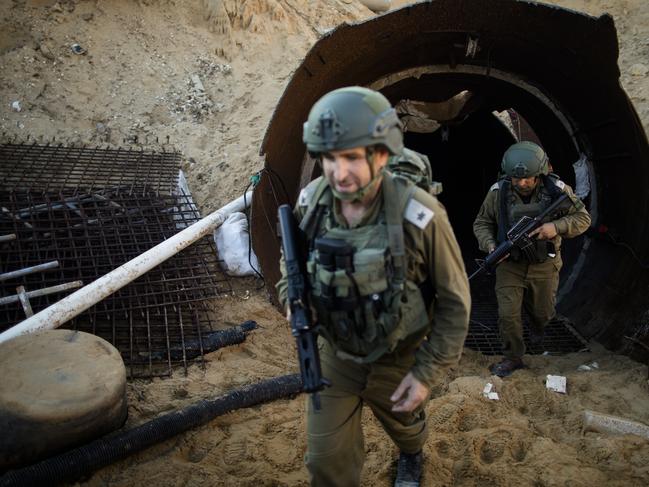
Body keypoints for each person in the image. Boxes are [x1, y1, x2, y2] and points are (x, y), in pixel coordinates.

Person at [276, 86, 471, 487]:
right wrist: (289, 297)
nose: (338, 172)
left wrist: (425, 375)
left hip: (398, 356)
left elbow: (455, 303)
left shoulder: (419, 214)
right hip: (335, 355)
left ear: (381, 154)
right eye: (329, 158)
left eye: (351, 157)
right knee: (325, 463)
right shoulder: (312, 202)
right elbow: (290, 259)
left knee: (405, 427)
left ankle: (412, 453)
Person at [473, 141, 591, 377]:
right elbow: (482, 223)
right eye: (517, 179)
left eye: (528, 178)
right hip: (509, 266)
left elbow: (583, 219)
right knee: (508, 315)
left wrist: (555, 227)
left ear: (539, 173)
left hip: (544, 264)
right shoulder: (498, 192)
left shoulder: (557, 190)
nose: (522, 183)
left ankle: (537, 328)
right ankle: (513, 357)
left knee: (543, 313)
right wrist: (491, 246)